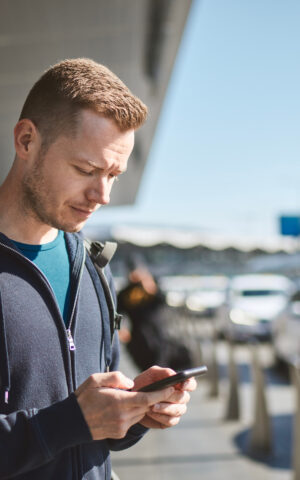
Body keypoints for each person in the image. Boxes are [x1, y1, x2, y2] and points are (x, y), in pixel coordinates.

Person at [0, 58, 196, 479]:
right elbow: (69, 424)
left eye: (113, 174)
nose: (102, 194)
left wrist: (136, 410)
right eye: (86, 170)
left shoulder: (93, 268)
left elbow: (90, 435)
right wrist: (70, 421)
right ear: (27, 140)